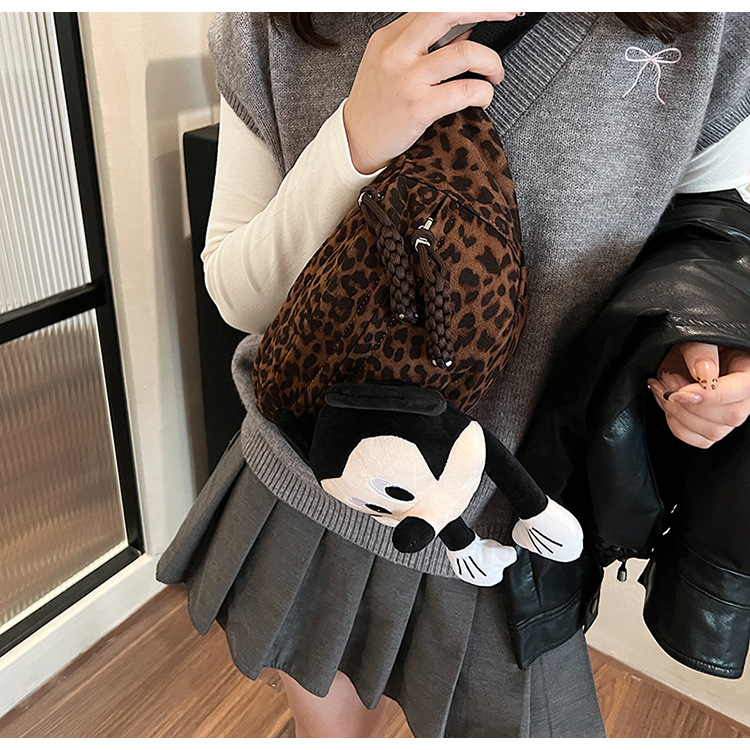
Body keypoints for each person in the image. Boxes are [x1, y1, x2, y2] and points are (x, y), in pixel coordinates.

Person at [156, 12, 750, 738]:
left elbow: (714, 226)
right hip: (313, 481)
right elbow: (237, 296)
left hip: (512, 526)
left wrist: (709, 333)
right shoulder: (274, 27)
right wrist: (354, 142)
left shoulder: (709, 28)